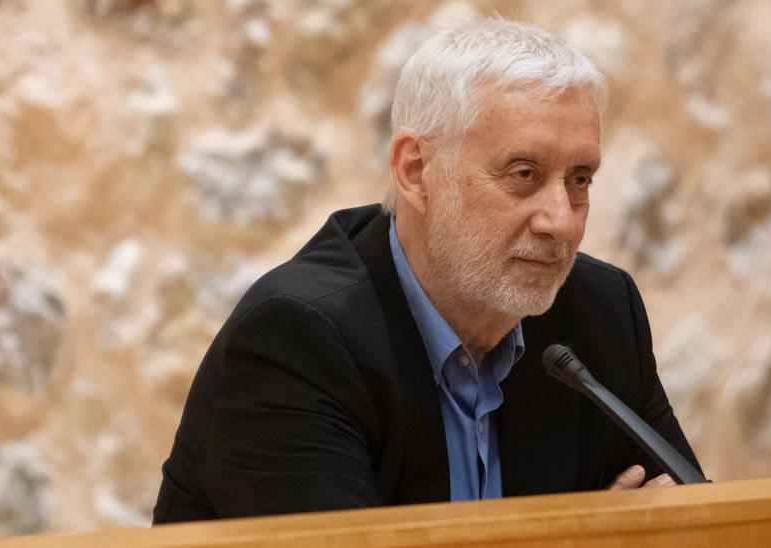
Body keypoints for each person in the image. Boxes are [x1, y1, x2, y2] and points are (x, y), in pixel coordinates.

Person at [152, 17, 700, 523]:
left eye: (580, 179)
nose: (561, 221)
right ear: (416, 172)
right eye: (524, 173)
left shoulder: (599, 314)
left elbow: (703, 522)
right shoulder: (296, 343)